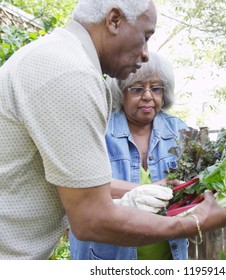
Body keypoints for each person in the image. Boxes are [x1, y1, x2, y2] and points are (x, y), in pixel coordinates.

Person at [0, 0, 226, 259]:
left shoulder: (60, 56)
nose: (145, 54)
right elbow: (91, 220)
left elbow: (78, 180)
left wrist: (143, 190)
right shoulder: (70, 73)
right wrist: (193, 222)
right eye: (146, 36)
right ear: (114, 20)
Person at [69, 52, 189, 260]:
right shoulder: (99, 131)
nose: (148, 96)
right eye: (137, 88)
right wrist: (147, 189)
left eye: (156, 88)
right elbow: (80, 186)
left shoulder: (178, 131)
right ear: (121, 93)